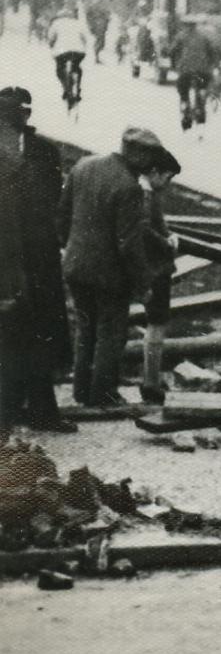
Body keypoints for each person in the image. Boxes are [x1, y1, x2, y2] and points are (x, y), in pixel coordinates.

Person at [59, 128, 161, 407]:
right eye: (149, 155)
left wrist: (71, 247)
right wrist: (144, 284)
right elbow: (128, 243)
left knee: (85, 329)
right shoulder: (129, 186)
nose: (151, 163)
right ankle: (102, 394)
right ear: (137, 153)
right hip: (109, 275)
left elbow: (63, 215)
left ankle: (82, 391)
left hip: (76, 266)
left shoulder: (83, 165)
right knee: (110, 334)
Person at [0, 87, 72, 431]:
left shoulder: (44, 151)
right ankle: (8, 412)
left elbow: (55, 200)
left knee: (41, 334)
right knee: (8, 334)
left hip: (39, 259)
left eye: (19, 113)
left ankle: (44, 411)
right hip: (5, 259)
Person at [135, 141, 183, 403]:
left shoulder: (146, 192)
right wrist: (166, 243)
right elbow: (144, 229)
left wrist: (167, 233)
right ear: (154, 172)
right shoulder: (145, 195)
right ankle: (150, 382)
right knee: (157, 324)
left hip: (153, 268)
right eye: (167, 177)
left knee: (155, 323)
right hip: (155, 269)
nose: (168, 183)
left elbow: (155, 224)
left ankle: (150, 379)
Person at [48, 8, 89, 105]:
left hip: (61, 51)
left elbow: (51, 38)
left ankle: (66, 89)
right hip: (78, 51)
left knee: (59, 70)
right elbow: (85, 39)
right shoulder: (78, 23)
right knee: (77, 67)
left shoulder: (56, 23)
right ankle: (78, 88)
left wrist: (51, 45)